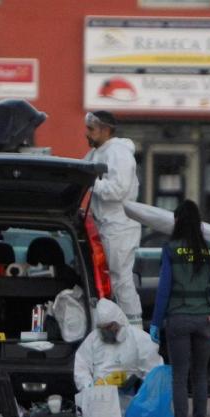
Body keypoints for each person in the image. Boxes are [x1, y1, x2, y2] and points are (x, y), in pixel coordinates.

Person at [150, 200, 210, 417]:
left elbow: (164, 289)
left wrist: (155, 321)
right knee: (201, 375)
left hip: (178, 318)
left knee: (180, 377)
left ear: (178, 222)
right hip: (206, 319)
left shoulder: (171, 249)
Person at [83, 111, 143, 325]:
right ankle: (114, 325)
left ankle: (135, 328)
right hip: (104, 226)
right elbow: (79, 172)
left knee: (121, 279)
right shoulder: (96, 154)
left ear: (105, 130)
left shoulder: (118, 152)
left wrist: (90, 182)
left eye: (91, 129)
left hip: (120, 226)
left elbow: (117, 190)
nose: (86, 133)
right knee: (108, 279)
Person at [74, 299, 162, 393]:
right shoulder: (93, 339)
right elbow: (81, 366)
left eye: (108, 327)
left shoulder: (140, 339)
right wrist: (89, 388)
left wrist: (140, 389)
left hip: (133, 398)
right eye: (102, 328)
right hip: (101, 398)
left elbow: (154, 372)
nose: (105, 331)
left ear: (118, 321)